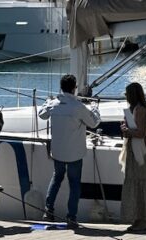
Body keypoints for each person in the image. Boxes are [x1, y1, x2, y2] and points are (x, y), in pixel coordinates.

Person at [38, 73, 100, 227]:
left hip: (58, 152)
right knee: (74, 184)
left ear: (61, 87)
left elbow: (42, 114)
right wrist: (95, 109)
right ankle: (71, 217)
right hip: (74, 153)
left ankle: (48, 211)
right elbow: (93, 123)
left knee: (57, 178)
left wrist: (47, 102)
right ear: (74, 88)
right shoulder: (79, 107)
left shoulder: (53, 104)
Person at [119, 81, 146, 232]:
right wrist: (125, 128)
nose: (126, 96)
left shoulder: (140, 110)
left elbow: (141, 133)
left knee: (141, 183)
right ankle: (139, 217)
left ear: (133, 95)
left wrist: (127, 131)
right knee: (135, 182)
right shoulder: (132, 109)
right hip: (134, 151)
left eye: (127, 93)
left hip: (141, 152)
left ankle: (145, 219)